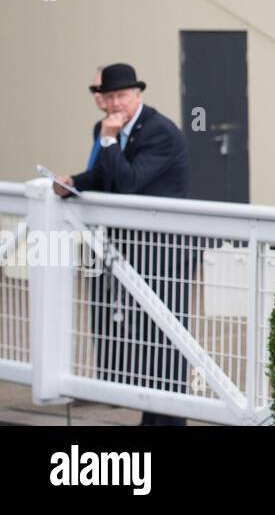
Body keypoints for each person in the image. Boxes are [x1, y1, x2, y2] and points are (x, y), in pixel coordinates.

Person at [55, 63, 195, 426]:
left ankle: (169, 422)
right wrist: (74, 183)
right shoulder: (109, 130)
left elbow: (130, 182)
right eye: (110, 96)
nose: (115, 103)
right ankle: (151, 419)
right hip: (133, 248)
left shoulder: (159, 132)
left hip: (167, 252)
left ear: (137, 95)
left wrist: (107, 140)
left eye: (123, 95)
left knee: (167, 337)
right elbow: (105, 176)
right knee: (147, 339)